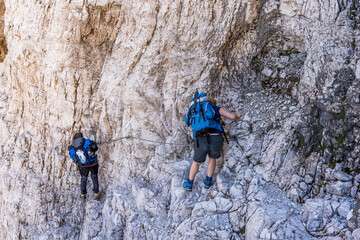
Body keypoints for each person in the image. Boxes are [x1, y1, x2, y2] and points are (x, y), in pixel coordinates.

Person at [184, 94, 242, 191]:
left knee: (196, 162)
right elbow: (232, 117)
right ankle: (208, 181)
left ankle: (189, 184)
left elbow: (187, 122)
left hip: (200, 139)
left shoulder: (193, 111)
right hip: (216, 138)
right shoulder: (215, 108)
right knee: (212, 158)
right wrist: (238, 114)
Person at [68, 132, 101, 200]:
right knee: (94, 177)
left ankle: (83, 194)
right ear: (81, 136)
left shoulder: (72, 146)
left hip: (83, 166)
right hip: (93, 163)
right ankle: (96, 194)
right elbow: (95, 147)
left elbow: (72, 156)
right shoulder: (87, 141)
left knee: (83, 179)